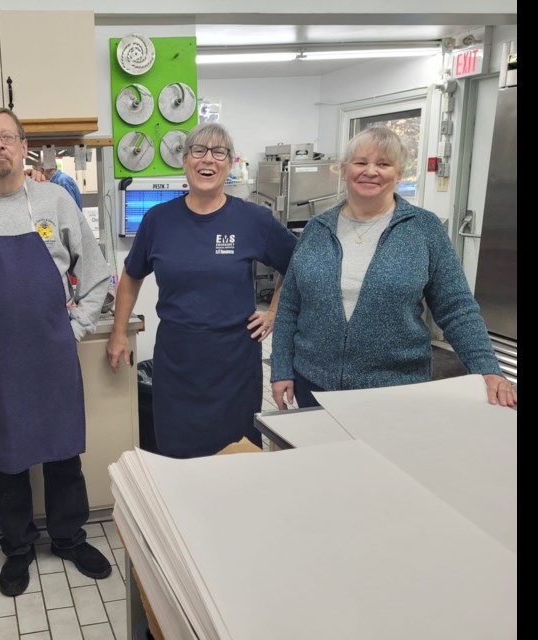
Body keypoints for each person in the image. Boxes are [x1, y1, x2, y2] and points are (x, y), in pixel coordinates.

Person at [0, 107, 112, 597]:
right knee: (6, 461)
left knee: (62, 455)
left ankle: (68, 537)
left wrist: (77, 327)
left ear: (22, 146)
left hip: (52, 351)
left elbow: (96, 271)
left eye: (7, 137)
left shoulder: (55, 201)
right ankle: (17, 549)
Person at [270, 125, 517, 409]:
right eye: (360, 162)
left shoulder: (424, 229)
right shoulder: (317, 229)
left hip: (397, 388)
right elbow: (290, 306)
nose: (371, 171)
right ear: (343, 170)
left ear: (399, 174)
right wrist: (281, 369)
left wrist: (486, 369)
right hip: (313, 382)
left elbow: (457, 308)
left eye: (384, 164)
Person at [106, 123, 298, 457]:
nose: (207, 159)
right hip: (178, 364)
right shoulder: (158, 220)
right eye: (198, 150)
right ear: (185, 160)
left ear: (229, 163)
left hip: (234, 366)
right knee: (177, 458)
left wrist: (274, 311)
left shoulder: (254, 220)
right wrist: (119, 332)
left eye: (218, 152)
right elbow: (132, 276)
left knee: (238, 459)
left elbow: (296, 263)